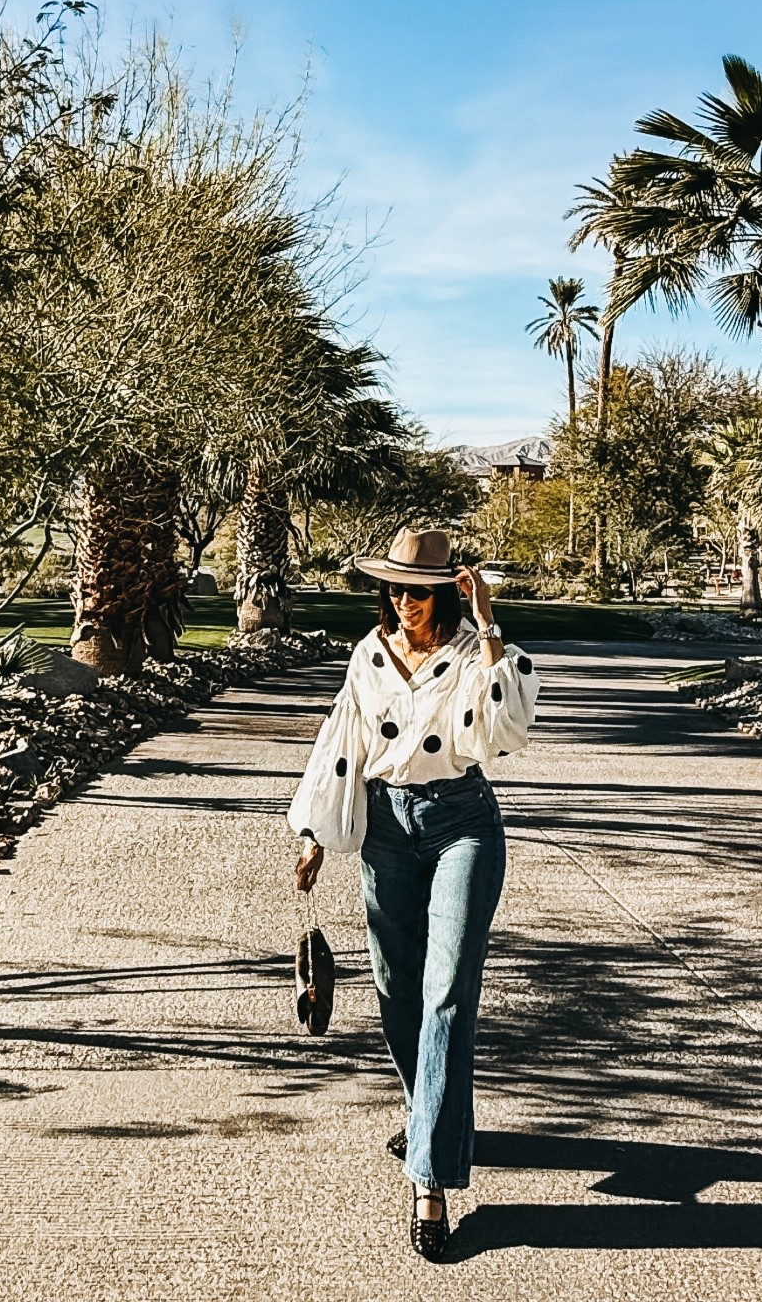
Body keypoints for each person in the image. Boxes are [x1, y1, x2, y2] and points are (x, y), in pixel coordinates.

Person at [288, 528, 540, 1262]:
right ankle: (426, 1113)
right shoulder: (368, 654)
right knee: (398, 991)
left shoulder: (473, 652)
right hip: (385, 828)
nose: (404, 602)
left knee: (445, 995)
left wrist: (488, 620)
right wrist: (312, 833)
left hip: (461, 822)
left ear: (444, 596)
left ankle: (428, 1178)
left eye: (419, 592)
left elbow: (508, 727)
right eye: (395, 590)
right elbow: (343, 739)